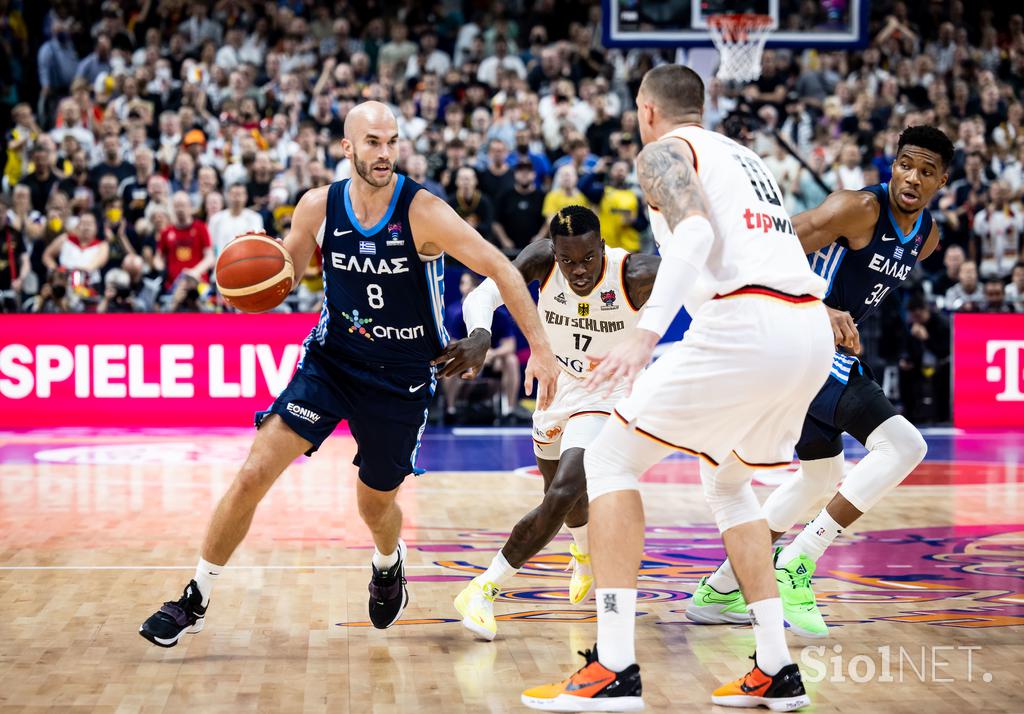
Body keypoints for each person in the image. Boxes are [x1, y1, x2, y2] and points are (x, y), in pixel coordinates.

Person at [138, 101, 558, 647]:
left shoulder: (423, 210)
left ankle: (388, 563)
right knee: (253, 471)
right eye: (373, 142)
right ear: (347, 148)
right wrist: (247, 282)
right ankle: (194, 597)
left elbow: (501, 266)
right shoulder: (317, 207)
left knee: (373, 503)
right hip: (332, 360)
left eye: (392, 142)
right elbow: (280, 277)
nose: (385, 153)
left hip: (402, 376)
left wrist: (540, 349)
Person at [521, 65, 833, 712]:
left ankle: (613, 667)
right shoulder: (745, 157)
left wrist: (646, 333)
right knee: (727, 483)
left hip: (747, 323)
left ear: (646, 109)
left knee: (608, 459)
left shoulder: (663, 151)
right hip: (806, 328)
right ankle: (776, 666)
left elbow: (694, 234)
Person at [689, 126, 954, 641]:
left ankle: (721, 589)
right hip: (801, 340)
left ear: (942, 181)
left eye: (926, 171)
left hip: (827, 354)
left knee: (818, 476)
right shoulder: (857, 209)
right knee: (903, 446)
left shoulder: (927, 239)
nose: (912, 178)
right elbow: (771, 247)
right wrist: (821, 303)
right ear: (892, 164)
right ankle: (797, 562)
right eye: (905, 164)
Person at [452, 204, 659, 641]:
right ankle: (581, 553)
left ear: (602, 245)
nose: (578, 271)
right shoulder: (542, 260)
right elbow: (484, 295)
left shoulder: (636, 274)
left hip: (608, 394)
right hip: (556, 387)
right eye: (568, 261)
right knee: (560, 497)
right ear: (555, 252)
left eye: (587, 259)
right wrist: (480, 335)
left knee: (565, 489)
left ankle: (482, 588)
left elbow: (711, 287)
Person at [493, 162, 546, 251]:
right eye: (521, 172)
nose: (524, 175)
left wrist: (540, 237)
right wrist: (504, 240)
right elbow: (496, 222)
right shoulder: (505, 195)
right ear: (515, 174)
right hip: (510, 249)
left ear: (534, 175)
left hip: (535, 249)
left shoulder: (542, 196)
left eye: (528, 172)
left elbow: (548, 220)